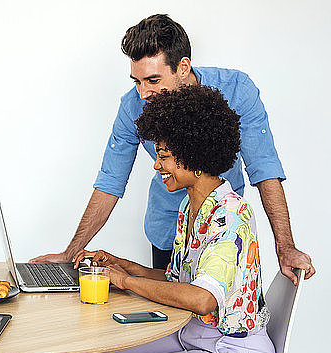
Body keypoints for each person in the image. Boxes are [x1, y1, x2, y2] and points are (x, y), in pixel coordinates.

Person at [30, 14, 314, 285]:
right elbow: (110, 181)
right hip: (168, 228)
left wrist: (285, 246)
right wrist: (70, 254)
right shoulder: (133, 106)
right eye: (137, 81)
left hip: (221, 226)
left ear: (183, 67)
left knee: (211, 310)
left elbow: (264, 168)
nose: (143, 93)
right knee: (170, 311)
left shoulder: (237, 90)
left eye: (153, 80)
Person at [74, 85, 274, 353]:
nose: (157, 165)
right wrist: (121, 266)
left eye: (164, 156)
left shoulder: (231, 215)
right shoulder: (190, 206)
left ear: (194, 156)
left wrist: (124, 282)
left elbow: (201, 298)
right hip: (192, 336)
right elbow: (176, 279)